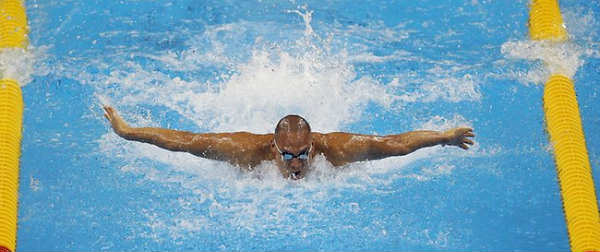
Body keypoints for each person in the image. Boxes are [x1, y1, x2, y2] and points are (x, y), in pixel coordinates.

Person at [103, 105, 475, 180]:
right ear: (274, 148)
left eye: (302, 154)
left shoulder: (337, 150)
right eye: (287, 156)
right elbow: (183, 141)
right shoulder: (245, 149)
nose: (296, 164)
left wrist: (444, 137)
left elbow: (395, 144)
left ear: (313, 146)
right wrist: (127, 130)